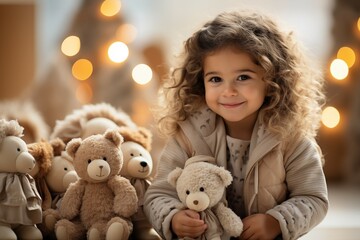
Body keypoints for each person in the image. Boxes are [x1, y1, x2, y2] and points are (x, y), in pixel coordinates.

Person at [144, 10, 328, 240]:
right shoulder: (189, 135)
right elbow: (158, 194)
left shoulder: (290, 137)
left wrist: (275, 222)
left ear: (272, 81)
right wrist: (173, 218)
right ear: (201, 82)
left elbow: (313, 198)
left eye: (243, 77)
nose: (228, 91)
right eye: (215, 79)